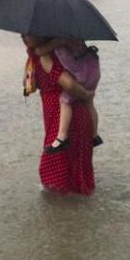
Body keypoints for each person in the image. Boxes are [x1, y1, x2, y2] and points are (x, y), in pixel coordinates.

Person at [22, 34, 96, 195]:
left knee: (53, 173)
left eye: (30, 32)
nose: (24, 35)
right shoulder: (40, 54)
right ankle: (77, 214)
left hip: (66, 119)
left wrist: (87, 95)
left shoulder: (47, 56)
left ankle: (60, 216)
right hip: (70, 116)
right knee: (74, 173)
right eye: (22, 32)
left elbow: (69, 84)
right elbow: (29, 84)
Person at [34, 38, 102, 154]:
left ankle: (62, 137)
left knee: (65, 100)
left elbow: (40, 51)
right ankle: (95, 135)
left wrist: (44, 46)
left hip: (81, 75)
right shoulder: (78, 38)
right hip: (92, 70)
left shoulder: (60, 40)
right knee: (90, 102)